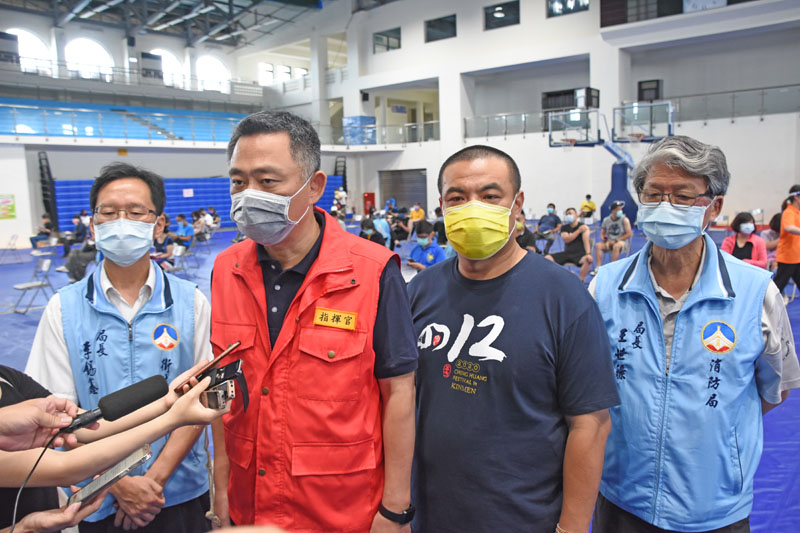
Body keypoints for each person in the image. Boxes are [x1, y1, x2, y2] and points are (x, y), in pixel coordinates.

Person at [210, 111, 417, 531]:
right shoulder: (225, 270)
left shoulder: (373, 271)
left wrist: (395, 509)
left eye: (267, 182)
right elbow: (222, 391)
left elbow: (398, 393)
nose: (249, 195)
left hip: (342, 508)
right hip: (250, 506)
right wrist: (221, 486)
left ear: (314, 187)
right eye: (238, 181)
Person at [590, 135, 800, 532]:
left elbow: (776, 391)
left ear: (713, 207)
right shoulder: (605, 286)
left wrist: (713, 435)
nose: (664, 206)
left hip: (716, 507)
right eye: (653, 194)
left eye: (683, 196)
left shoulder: (756, 293)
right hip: (622, 498)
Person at [408, 145, 619, 532]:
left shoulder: (563, 298)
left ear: (517, 204)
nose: (473, 208)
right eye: (457, 198)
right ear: (441, 207)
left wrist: (571, 527)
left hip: (523, 518)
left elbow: (590, 424)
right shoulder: (418, 293)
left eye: (490, 197)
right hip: (429, 515)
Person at [25, 162, 215, 532]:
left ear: (158, 225)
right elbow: (53, 418)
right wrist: (120, 483)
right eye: (108, 213)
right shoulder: (63, 308)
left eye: (135, 212)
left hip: (177, 493)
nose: (121, 221)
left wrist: (154, 482)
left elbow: (202, 398)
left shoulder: (191, 302)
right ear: (93, 225)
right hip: (97, 499)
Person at [546, 207, 594, 282]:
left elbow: (586, 241)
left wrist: (588, 254)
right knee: (547, 258)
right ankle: (555, 280)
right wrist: (578, 231)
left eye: (570, 213)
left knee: (588, 260)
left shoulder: (583, 227)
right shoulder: (565, 227)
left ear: (576, 215)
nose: (569, 215)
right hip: (567, 253)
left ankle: (581, 281)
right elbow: (566, 239)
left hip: (579, 255)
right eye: (567, 214)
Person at [773, 185, 800, 297]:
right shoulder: (788, 212)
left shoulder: (797, 212)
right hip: (788, 258)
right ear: (796, 197)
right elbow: (788, 227)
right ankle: (763, 309)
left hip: (797, 257)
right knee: (778, 287)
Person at [594, 200, 632, 270]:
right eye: (618, 209)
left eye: (621, 209)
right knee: (598, 246)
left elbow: (629, 234)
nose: (620, 211)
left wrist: (616, 240)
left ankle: (613, 267)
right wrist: (603, 238)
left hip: (621, 241)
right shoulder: (606, 220)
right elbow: (602, 233)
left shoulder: (625, 220)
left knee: (616, 246)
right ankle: (598, 267)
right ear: (613, 211)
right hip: (609, 241)